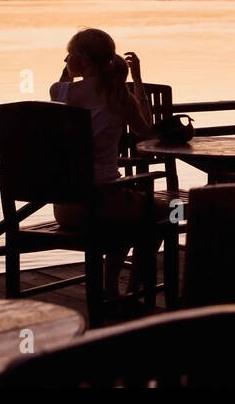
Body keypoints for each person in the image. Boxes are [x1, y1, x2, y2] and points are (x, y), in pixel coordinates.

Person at [49, 28, 157, 296]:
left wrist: (68, 73)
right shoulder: (118, 96)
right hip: (103, 205)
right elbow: (148, 135)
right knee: (159, 212)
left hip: (65, 209)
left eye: (69, 54)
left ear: (82, 58)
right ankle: (132, 291)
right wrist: (138, 81)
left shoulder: (58, 92)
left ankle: (111, 289)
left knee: (127, 213)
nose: (65, 60)